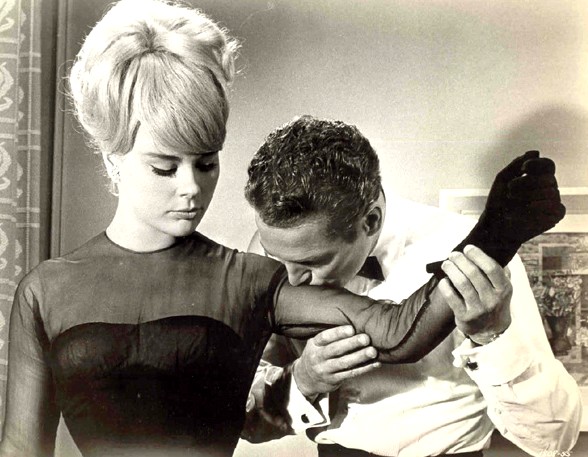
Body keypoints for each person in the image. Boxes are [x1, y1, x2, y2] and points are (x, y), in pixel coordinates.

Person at [0, 2, 561, 457]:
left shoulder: (246, 277)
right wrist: (304, 381)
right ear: (113, 158)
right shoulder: (46, 290)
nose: (192, 189)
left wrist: (494, 238)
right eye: (164, 168)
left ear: (369, 221)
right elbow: (23, 448)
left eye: (207, 163)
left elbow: (398, 331)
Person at [243, 115, 581, 457]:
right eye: (275, 256)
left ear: (370, 221)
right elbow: (248, 422)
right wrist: (303, 380)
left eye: (313, 263)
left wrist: (492, 337)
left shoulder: (473, 258)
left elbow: (555, 440)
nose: (292, 279)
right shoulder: (277, 253)